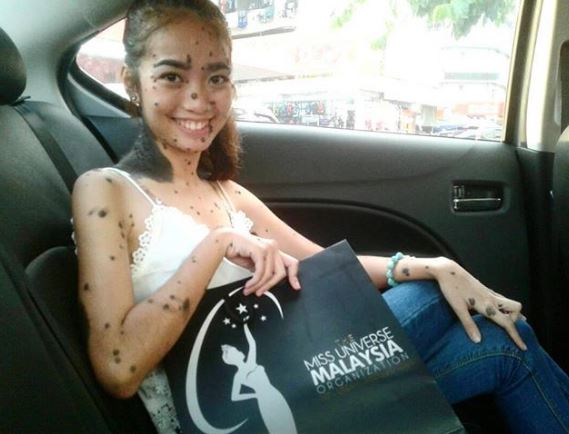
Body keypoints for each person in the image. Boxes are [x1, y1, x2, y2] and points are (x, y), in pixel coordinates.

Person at [71, 1, 569, 433]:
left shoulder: (227, 193)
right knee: (429, 297)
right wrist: (216, 245)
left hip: (303, 374)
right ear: (133, 82)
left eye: (217, 77)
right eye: (172, 76)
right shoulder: (106, 190)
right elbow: (119, 369)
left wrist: (434, 264)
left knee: (510, 344)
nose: (200, 98)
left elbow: (325, 265)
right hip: (230, 412)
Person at [221, 324, 297, 434]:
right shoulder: (242, 372)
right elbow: (234, 397)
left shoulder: (248, 365)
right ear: (233, 358)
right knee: (278, 427)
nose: (239, 350)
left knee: (288, 422)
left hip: (274, 394)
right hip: (265, 401)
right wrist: (254, 395)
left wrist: (245, 326)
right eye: (236, 350)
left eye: (237, 349)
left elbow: (252, 343)